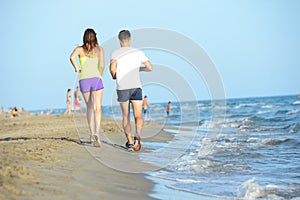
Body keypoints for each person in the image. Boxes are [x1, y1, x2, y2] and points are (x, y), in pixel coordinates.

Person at [110, 30, 153, 151]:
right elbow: (150, 67)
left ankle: (129, 143)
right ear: (130, 39)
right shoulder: (138, 52)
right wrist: (140, 69)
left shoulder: (115, 53)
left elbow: (112, 69)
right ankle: (137, 135)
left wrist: (115, 76)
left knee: (126, 116)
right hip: (136, 87)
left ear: (119, 41)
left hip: (122, 87)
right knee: (138, 115)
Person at [70, 28, 104, 147]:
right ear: (95, 37)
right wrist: (99, 75)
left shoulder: (79, 49)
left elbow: (71, 57)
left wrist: (76, 68)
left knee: (90, 107)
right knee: (98, 108)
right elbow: (102, 65)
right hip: (96, 79)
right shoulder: (99, 49)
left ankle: (91, 133)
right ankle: (97, 134)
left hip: (84, 79)